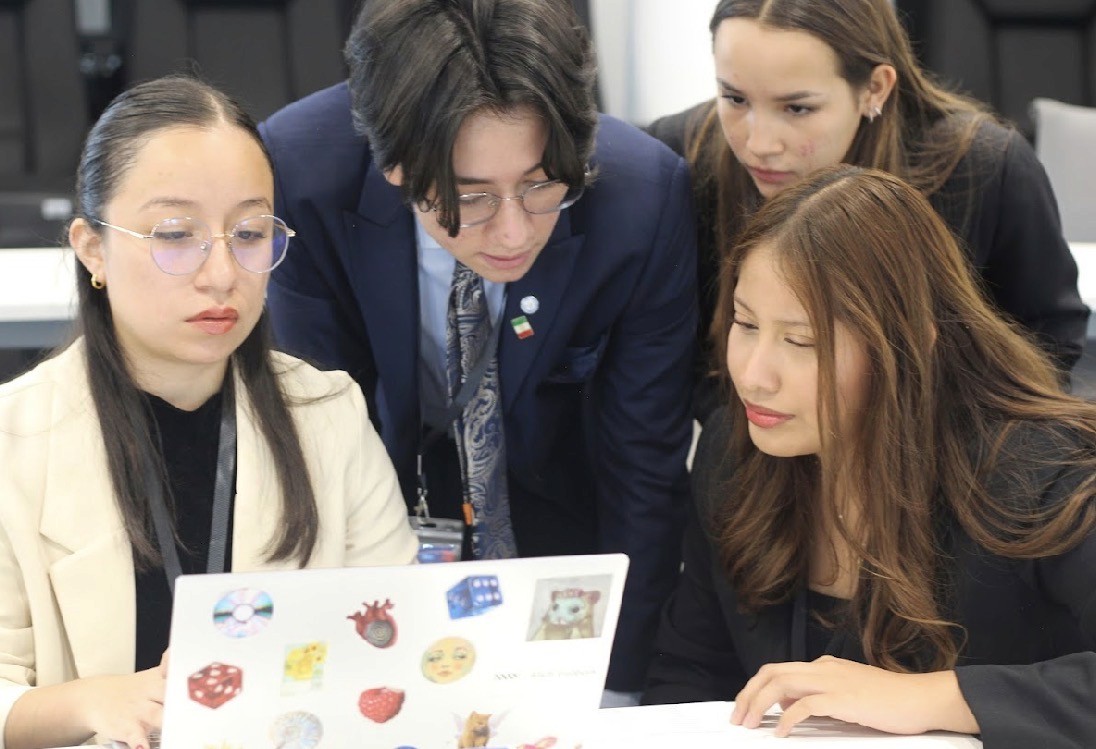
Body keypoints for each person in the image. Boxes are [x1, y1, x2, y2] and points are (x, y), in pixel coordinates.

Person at [259, 0, 697, 698]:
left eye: (541, 185)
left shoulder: (642, 197)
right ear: (395, 165)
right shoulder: (300, 172)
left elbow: (642, 464)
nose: (516, 233)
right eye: (472, 198)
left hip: (564, 543)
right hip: (379, 538)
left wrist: (616, 685)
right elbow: (318, 440)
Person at [0, 76, 418, 749]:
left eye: (250, 232)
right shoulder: (12, 439)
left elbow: (398, 640)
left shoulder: (328, 414)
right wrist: (93, 701)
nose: (223, 272)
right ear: (92, 247)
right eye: (175, 233)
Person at [643, 164, 1096, 748]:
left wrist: (934, 696)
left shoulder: (1043, 472)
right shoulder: (737, 457)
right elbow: (688, 677)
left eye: (801, 342)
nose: (754, 377)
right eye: (746, 324)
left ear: (909, 348)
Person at [646, 0, 1089, 419]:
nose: (759, 144)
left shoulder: (983, 167)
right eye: (735, 99)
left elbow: (1048, 337)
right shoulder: (683, 153)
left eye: (797, 108)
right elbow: (666, 350)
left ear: (874, 88)